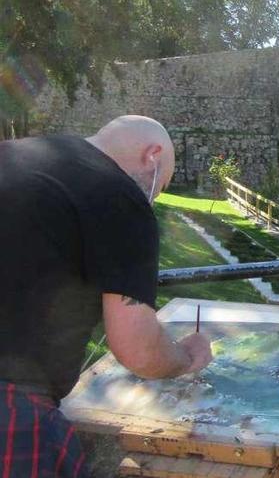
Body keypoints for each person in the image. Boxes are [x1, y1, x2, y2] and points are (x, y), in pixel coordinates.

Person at [0, 116, 214, 476]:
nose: (152, 199)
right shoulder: (119, 195)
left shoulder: (13, 156)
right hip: (11, 411)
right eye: (159, 188)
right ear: (153, 156)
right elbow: (138, 349)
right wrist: (186, 357)